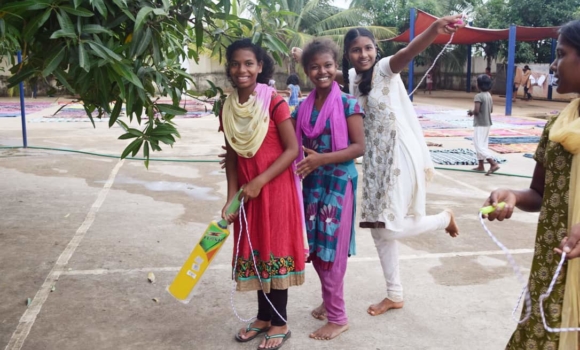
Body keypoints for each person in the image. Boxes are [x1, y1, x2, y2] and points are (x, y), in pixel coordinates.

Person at [339, 18, 462, 317]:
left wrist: (434, 31)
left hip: (398, 154)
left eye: (368, 48)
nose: (363, 54)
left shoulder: (384, 68)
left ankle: (442, 218)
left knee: (390, 226)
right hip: (373, 160)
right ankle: (395, 294)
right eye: (356, 50)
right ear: (348, 55)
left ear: (376, 49)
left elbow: (408, 51)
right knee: (378, 231)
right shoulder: (354, 79)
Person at [483, 20, 580, 349]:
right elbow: (540, 193)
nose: (554, 64)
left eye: (561, 54)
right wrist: (511, 194)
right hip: (552, 266)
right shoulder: (556, 127)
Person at [220, 39, 304, 350]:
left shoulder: (274, 103)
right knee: (256, 252)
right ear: (230, 67)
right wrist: (232, 196)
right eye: (236, 63)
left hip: (275, 190)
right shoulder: (227, 107)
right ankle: (263, 317)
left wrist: (260, 181)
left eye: (249, 64)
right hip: (246, 194)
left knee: (274, 252)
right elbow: (231, 156)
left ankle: (280, 323)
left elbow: (292, 149)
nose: (242, 69)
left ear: (259, 67)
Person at [292, 39, 365, 340]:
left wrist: (322, 159)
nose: (322, 72)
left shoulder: (349, 104)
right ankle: (328, 299)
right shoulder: (301, 108)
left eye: (327, 65)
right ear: (307, 71)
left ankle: (338, 317)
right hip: (311, 185)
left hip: (337, 183)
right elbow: (285, 144)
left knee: (331, 251)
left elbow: (359, 148)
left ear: (337, 67)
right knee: (317, 247)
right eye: (314, 67)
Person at [467, 74, 500, 175]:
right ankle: (481, 165)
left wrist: (471, 112)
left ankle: (493, 163)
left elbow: (476, 111)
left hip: (480, 124)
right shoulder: (489, 95)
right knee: (483, 144)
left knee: (478, 145)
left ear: (479, 85)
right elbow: (491, 110)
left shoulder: (478, 96)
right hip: (487, 123)